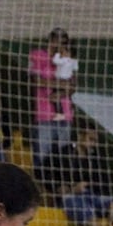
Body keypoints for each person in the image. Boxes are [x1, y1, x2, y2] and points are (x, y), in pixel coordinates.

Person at [49, 125, 113, 226]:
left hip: (90, 194)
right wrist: (72, 189)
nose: (93, 144)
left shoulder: (95, 159)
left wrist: (90, 186)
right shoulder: (63, 154)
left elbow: (104, 183)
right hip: (71, 197)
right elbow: (49, 178)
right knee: (86, 211)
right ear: (80, 136)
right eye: (91, 139)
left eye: (95, 141)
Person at [29, 28, 75, 167]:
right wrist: (61, 84)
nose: (61, 46)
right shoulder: (38, 55)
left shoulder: (67, 58)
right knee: (42, 155)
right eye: (58, 42)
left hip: (65, 114)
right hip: (45, 114)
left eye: (64, 43)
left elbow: (73, 86)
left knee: (63, 156)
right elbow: (36, 81)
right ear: (51, 41)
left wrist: (61, 93)